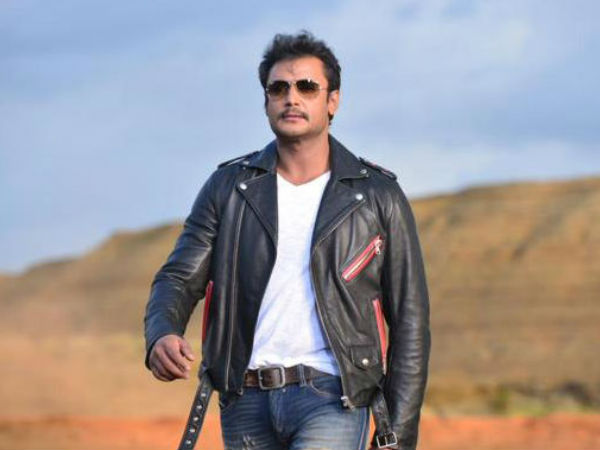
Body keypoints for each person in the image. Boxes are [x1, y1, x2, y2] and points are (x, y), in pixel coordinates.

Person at [144, 31, 431, 450]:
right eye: (278, 88)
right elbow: (178, 278)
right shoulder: (228, 188)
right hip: (244, 399)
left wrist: (398, 438)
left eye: (307, 87)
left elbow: (410, 321)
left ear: (332, 101)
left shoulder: (376, 196)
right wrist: (162, 333)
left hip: (333, 397)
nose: (291, 98)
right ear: (266, 101)